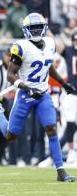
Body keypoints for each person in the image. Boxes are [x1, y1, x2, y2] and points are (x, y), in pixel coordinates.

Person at [0, 13, 76, 182]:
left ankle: (61, 171)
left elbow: (49, 67)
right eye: (33, 28)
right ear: (26, 30)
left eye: (39, 27)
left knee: (51, 129)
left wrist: (63, 83)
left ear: (45, 28)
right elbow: (11, 74)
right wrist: (26, 87)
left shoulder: (50, 44)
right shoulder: (20, 47)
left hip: (42, 94)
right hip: (25, 95)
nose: (37, 30)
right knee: (11, 136)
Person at [59, 30, 77, 163]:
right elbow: (56, 44)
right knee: (70, 122)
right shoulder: (69, 50)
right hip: (72, 93)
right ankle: (71, 151)